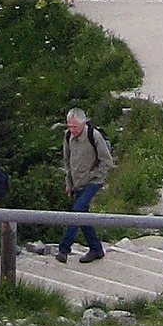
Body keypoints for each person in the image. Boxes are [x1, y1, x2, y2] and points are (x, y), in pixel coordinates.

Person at [57, 108, 114, 264]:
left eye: (75, 126)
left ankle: (64, 249)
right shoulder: (67, 136)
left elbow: (107, 161)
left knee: (76, 212)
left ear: (83, 123)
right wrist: (68, 184)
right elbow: (67, 162)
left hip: (93, 182)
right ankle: (96, 249)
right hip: (77, 183)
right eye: (69, 126)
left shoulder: (94, 136)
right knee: (82, 215)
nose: (72, 130)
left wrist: (94, 175)